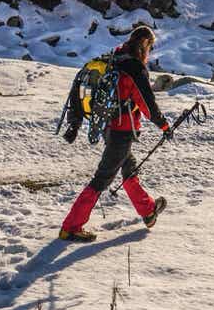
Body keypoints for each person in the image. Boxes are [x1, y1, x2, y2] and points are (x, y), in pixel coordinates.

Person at [59, 25, 173, 241]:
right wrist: (164, 125)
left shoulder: (115, 57)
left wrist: (75, 121)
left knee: (128, 168)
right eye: (151, 46)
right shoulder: (134, 67)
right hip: (122, 130)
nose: (151, 51)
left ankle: (148, 211)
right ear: (145, 45)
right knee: (102, 178)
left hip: (107, 125)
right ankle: (71, 227)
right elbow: (147, 102)